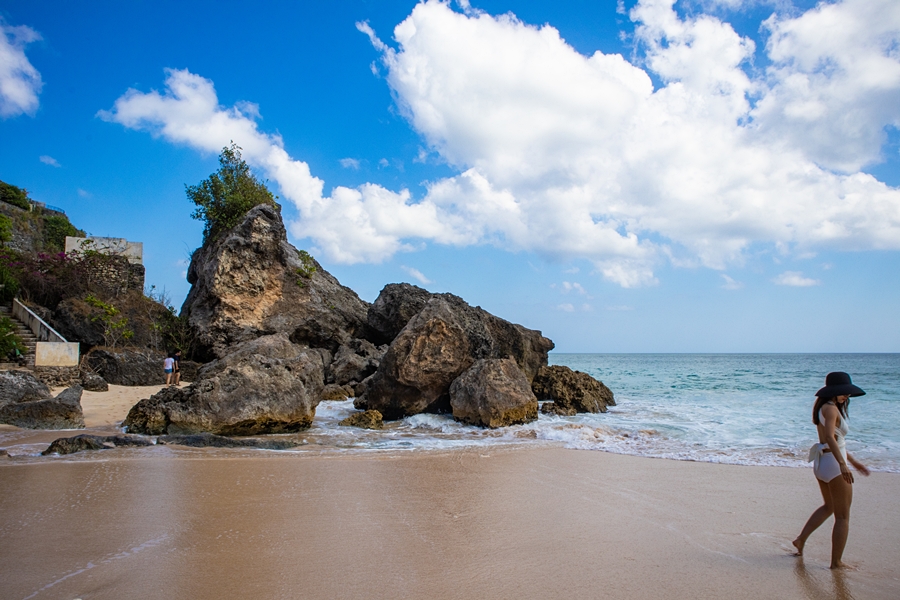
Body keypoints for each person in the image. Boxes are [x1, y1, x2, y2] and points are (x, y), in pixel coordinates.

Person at [792, 372, 869, 569]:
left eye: (848, 393)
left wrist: (853, 461)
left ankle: (800, 540)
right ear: (833, 392)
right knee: (842, 517)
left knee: (829, 506)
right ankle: (836, 562)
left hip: (822, 463)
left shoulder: (822, 407)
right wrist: (843, 465)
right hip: (834, 465)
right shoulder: (832, 409)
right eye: (843, 392)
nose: (847, 396)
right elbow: (831, 438)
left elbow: (837, 442)